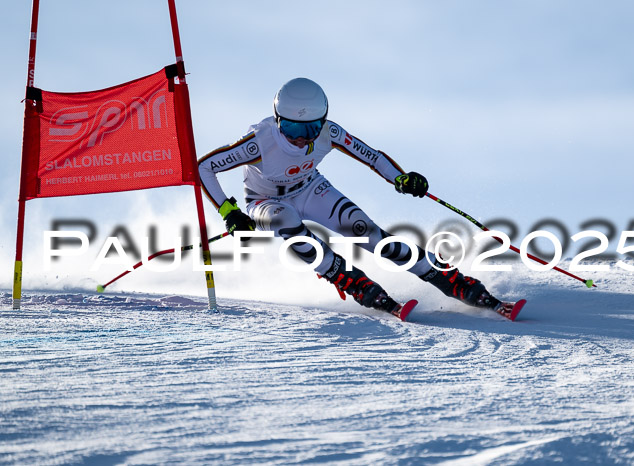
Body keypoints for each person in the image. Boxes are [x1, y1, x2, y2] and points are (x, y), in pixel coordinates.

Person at [198, 78, 517, 318]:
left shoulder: (329, 133)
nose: (299, 137)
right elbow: (205, 167)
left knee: (368, 233)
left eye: (309, 129)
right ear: (278, 119)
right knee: (290, 226)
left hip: (310, 189)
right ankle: (354, 283)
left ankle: (455, 282)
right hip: (266, 201)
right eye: (291, 127)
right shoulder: (259, 142)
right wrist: (229, 210)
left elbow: (373, 157)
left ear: (321, 123)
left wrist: (401, 178)